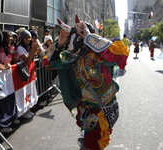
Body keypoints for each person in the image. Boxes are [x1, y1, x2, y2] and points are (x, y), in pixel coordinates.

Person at [50, 15, 129, 150]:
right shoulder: (75, 57)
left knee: (95, 143)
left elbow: (121, 56)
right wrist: (59, 45)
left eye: (79, 36)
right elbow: (54, 63)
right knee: (89, 140)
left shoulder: (101, 53)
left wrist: (89, 36)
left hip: (104, 106)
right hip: (87, 105)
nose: (73, 42)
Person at [16, 30, 38, 118]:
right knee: (23, 92)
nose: (28, 39)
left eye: (29, 37)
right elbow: (27, 60)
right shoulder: (20, 48)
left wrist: (33, 50)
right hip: (22, 72)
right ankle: (24, 112)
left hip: (28, 72)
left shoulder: (28, 47)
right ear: (22, 39)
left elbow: (32, 59)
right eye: (25, 38)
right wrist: (33, 50)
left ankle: (28, 109)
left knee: (29, 91)